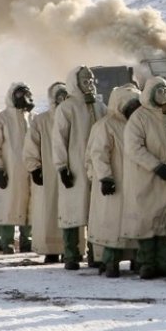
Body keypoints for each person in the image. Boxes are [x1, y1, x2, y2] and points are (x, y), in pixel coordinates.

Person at [122, 76, 166, 279]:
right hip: (147, 177)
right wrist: (156, 166)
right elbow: (133, 147)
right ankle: (147, 262)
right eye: (159, 91)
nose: (163, 95)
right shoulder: (139, 118)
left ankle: (165, 261)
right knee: (147, 221)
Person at [52, 66, 106, 270]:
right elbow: (59, 140)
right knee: (72, 210)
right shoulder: (66, 108)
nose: (90, 84)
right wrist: (62, 166)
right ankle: (71, 254)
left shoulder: (100, 107)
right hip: (74, 167)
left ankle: (96, 253)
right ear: (75, 83)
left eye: (91, 80)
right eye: (85, 81)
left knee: (96, 211)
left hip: (97, 167)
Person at [87, 84, 142, 278]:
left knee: (135, 225)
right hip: (113, 183)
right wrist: (105, 177)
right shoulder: (106, 125)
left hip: (134, 184)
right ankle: (110, 262)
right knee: (112, 225)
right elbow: (98, 154)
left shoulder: (138, 124)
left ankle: (137, 260)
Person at [0, 83, 34, 253]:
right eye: (20, 94)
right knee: (8, 205)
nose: (24, 97)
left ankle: (27, 240)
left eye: (26, 94)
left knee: (29, 205)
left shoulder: (32, 118)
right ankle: (6, 241)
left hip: (28, 171)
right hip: (10, 172)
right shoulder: (2, 119)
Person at [23, 82, 69, 263]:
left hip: (70, 174)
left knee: (70, 212)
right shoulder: (41, 121)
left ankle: (71, 249)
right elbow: (30, 147)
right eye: (58, 96)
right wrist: (34, 167)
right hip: (48, 174)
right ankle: (51, 250)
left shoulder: (74, 116)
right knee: (48, 212)